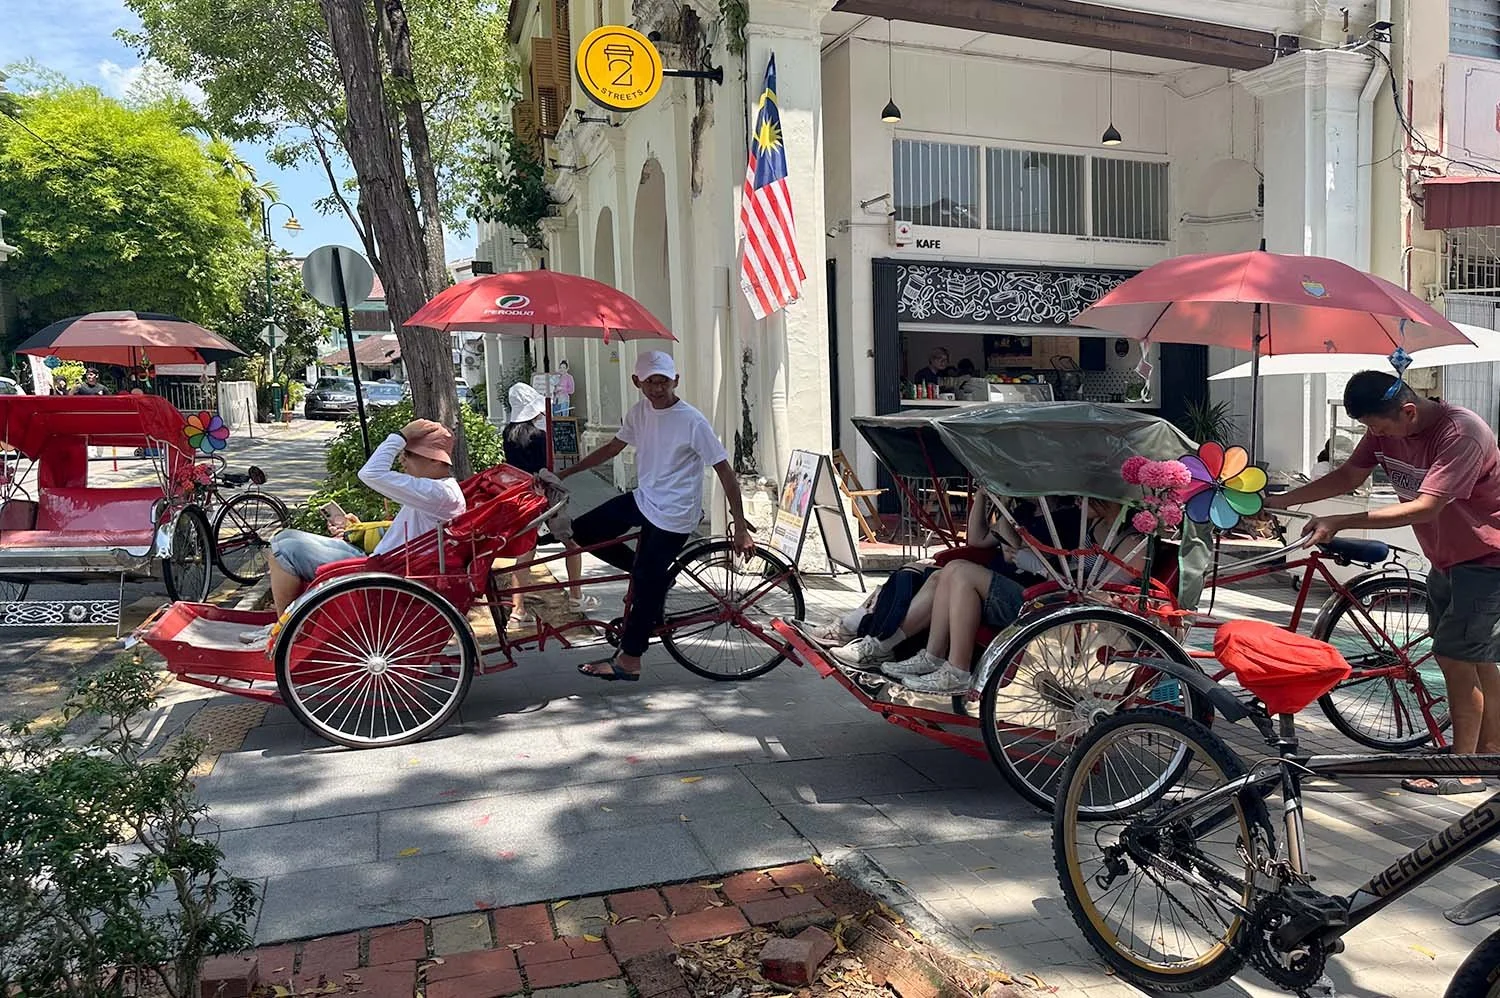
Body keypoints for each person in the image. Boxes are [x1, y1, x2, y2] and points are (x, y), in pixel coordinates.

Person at [1271, 370, 1500, 795]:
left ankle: (1465, 771)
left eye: (1378, 427)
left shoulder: (1461, 433)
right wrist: (1281, 499)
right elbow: (1347, 476)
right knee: (1477, 658)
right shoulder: (1387, 431)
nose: (1375, 436)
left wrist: (1341, 520)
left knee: (1454, 657)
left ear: (1408, 411)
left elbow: (1426, 507)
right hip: (1447, 557)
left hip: (1488, 557)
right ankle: (1487, 752)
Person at [558, 350, 754, 681]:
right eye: (650, 382)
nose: (657, 389)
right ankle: (652, 575)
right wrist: (565, 473)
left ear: (675, 381)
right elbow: (612, 448)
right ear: (638, 382)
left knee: (647, 585)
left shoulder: (692, 421)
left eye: (663, 381)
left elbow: (724, 469)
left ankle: (630, 660)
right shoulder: (639, 412)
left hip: (676, 512)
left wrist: (740, 526)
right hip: (644, 498)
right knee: (584, 531)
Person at [830, 492, 1143, 693]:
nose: (1080, 500)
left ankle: (957, 670)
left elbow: (1106, 592)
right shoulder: (1090, 528)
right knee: (952, 570)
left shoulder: (1127, 541)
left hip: (1051, 606)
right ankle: (932, 657)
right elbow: (1055, 563)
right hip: (1044, 594)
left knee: (962, 571)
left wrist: (1021, 554)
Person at [242, 419, 466, 642]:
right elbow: (404, 530)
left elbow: (370, 473)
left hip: (381, 571)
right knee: (286, 537)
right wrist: (357, 529)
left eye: (407, 454)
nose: (401, 460)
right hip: (384, 563)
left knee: (282, 549)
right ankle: (286, 628)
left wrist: (401, 435)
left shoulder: (436, 493)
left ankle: (285, 635)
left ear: (434, 460)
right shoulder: (437, 492)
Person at [502, 382, 594, 622]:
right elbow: (544, 466)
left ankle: (517, 609)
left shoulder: (507, 434)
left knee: (525, 552)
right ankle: (576, 596)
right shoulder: (539, 436)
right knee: (571, 543)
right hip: (545, 497)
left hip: (520, 497)